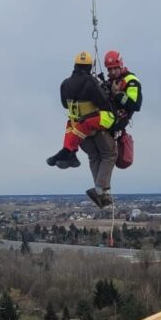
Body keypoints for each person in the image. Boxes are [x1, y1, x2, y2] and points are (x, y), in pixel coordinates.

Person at [46, 51, 116, 207]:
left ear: (75, 66)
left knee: (93, 155)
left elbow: (65, 104)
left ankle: (100, 190)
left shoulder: (65, 84)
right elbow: (104, 102)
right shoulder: (90, 82)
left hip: (77, 129)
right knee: (109, 153)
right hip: (92, 126)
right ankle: (100, 189)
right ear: (89, 66)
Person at [103, 50, 142, 133]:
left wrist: (118, 95)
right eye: (110, 69)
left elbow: (135, 105)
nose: (112, 72)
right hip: (109, 115)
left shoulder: (131, 81)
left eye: (115, 68)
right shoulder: (110, 82)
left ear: (120, 66)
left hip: (119, 119)